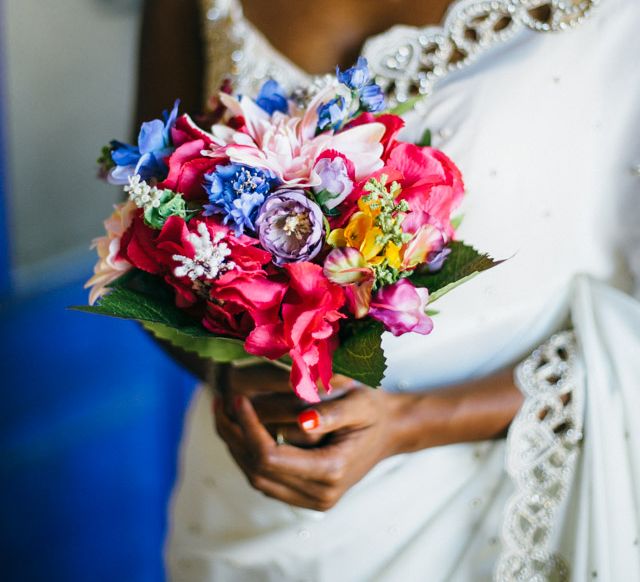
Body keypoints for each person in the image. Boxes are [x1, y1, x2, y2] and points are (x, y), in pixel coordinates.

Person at [138, 0, 640, 580]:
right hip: (252, 495)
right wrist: (231, 375)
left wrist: (410, 422)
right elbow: (145, 236)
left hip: (497, 501)